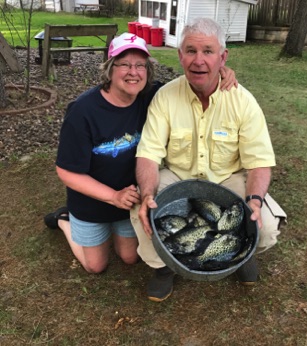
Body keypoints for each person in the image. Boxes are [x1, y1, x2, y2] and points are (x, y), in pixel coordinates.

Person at [44, 32, 237, 274]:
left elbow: (193, 81)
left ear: (147, 71)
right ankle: (64, 220)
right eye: (123, 64)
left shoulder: (152, 96)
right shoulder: (83, 112)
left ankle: (109, 227)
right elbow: (66, 171)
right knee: (95, 265)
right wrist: (112, 196)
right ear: (109, 68)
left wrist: (220, 72)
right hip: (92, 201)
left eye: (140, 65)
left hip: (131, 199)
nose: (132, 72)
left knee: (129, 257)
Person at [130, 18, 287, 302]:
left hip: (228, 178)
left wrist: (253, 200)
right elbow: (149, 154)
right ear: (180, 56)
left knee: (264, 223)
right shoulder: (165, 97)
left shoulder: (243, 101)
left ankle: (241, 252)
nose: (198, 60)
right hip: (178, 175)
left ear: (223, 57)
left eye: (208, 51)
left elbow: (259, 161)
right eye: (190, 50)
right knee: (143, 210)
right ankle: (164, 267)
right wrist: (149, 193)